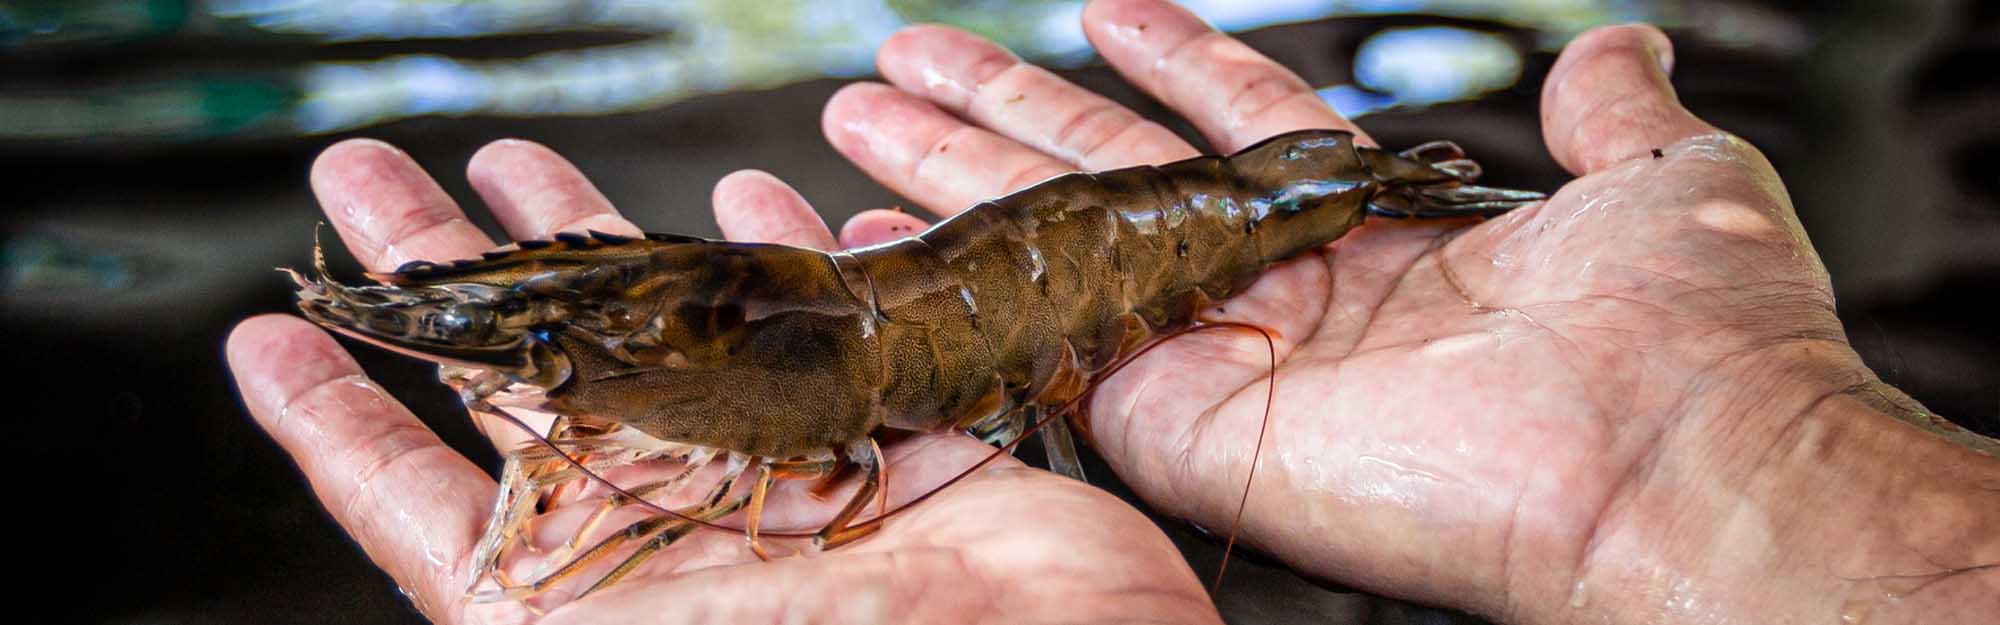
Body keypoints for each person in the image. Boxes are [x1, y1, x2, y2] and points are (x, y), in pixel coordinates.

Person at [225, 1, 2000, 623]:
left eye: (563, 353)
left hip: (1174, 231)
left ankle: (1348, 180)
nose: (557, 377)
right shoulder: (724, 341)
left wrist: (1730, 467)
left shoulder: (782, 376)